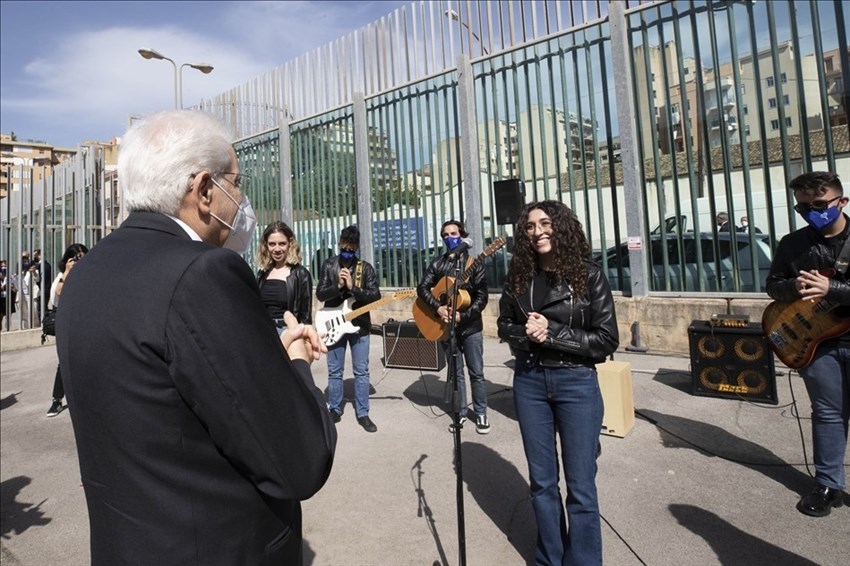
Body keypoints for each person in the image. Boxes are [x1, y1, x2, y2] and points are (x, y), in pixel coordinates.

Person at [56, 109, 336, 564]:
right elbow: (301, 459)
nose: (242, 200)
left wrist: (266, 352)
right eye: (237, 182)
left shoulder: (87, 274)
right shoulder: (202, 271)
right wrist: (297, 361)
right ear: (205, 190)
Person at [497, 200, 619, 565]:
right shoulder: (518, 276)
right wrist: (527, 334)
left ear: (561, 226)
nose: (537, 232)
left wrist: (552, 334)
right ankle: (549, 558)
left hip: (576, 382)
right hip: (530, 381)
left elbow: (606, 340)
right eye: (530, 226)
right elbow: (505, 325)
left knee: (581, 486)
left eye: (545, 223)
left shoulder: (588, 274)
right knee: (542, 484)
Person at [766, 171, 849, 518]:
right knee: (827, 414)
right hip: (817, 343)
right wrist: (795, 288)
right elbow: (773, 286)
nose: (812, 212)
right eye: (803, 207)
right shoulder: (792, 244)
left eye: (819, 204)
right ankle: (829, 484)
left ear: (841, 202)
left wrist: (833, 289)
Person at [416, 219, 490, 434]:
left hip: (471, 327)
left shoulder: (474, 264)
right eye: (446, 235)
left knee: (476, 371)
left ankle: (481, 412)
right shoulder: (438, 264)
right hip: (446, 327)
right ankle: (461, 412)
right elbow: (422, 288)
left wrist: (463, 316)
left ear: (463, 235)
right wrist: (438, 308)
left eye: (454, 233)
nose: (450, 237)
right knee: (456, 373)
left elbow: (481, 297)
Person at [315, 225, 381, 432]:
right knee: (335, 371)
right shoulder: (328, 265)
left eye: (351, 250)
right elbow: (320, 294)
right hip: (334, 324)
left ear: (357, 248)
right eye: (344, 249)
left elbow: (375, 297)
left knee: (361, 371)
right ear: (339, 245)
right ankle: (335, 408)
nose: (347, 254)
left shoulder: (366, 268)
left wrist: (353, 287)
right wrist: (339, 287)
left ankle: (363, 413)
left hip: (359, 325)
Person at [45, 243, 88, 417]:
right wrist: (69, 271)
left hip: (86, 322)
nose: (80, 260)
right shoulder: (61, 277)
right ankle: (57, 400)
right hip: (67, 323)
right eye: (76, 257)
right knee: (65, 362)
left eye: (83, 256)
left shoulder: (89, 275)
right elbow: (58, 293)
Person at [257, 221, 313, 331]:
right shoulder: (262, 273)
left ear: (290, 244)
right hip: (264, 330)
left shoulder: (301, 274)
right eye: (272, 244)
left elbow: (305, 316)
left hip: (288, 331)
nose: (277, 249)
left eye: (282, 243)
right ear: (266, 246)